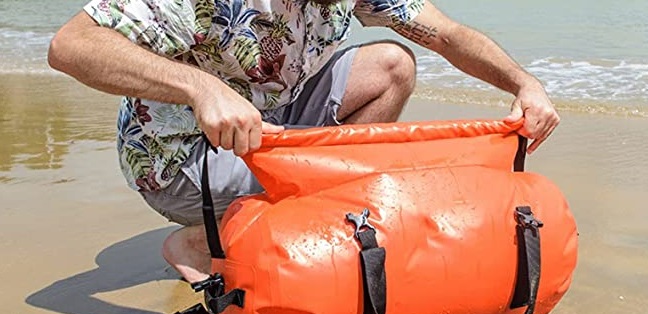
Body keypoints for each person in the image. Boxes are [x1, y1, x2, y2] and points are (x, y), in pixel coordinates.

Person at [48, 0, 559, 287]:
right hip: (179, 154)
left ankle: (301, 215)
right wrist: (200, 87)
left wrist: (523, 84)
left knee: (392, 64)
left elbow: (444, 34)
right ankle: (203, 239)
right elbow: (70, 46)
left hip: (273, 120)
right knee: (340, 177)